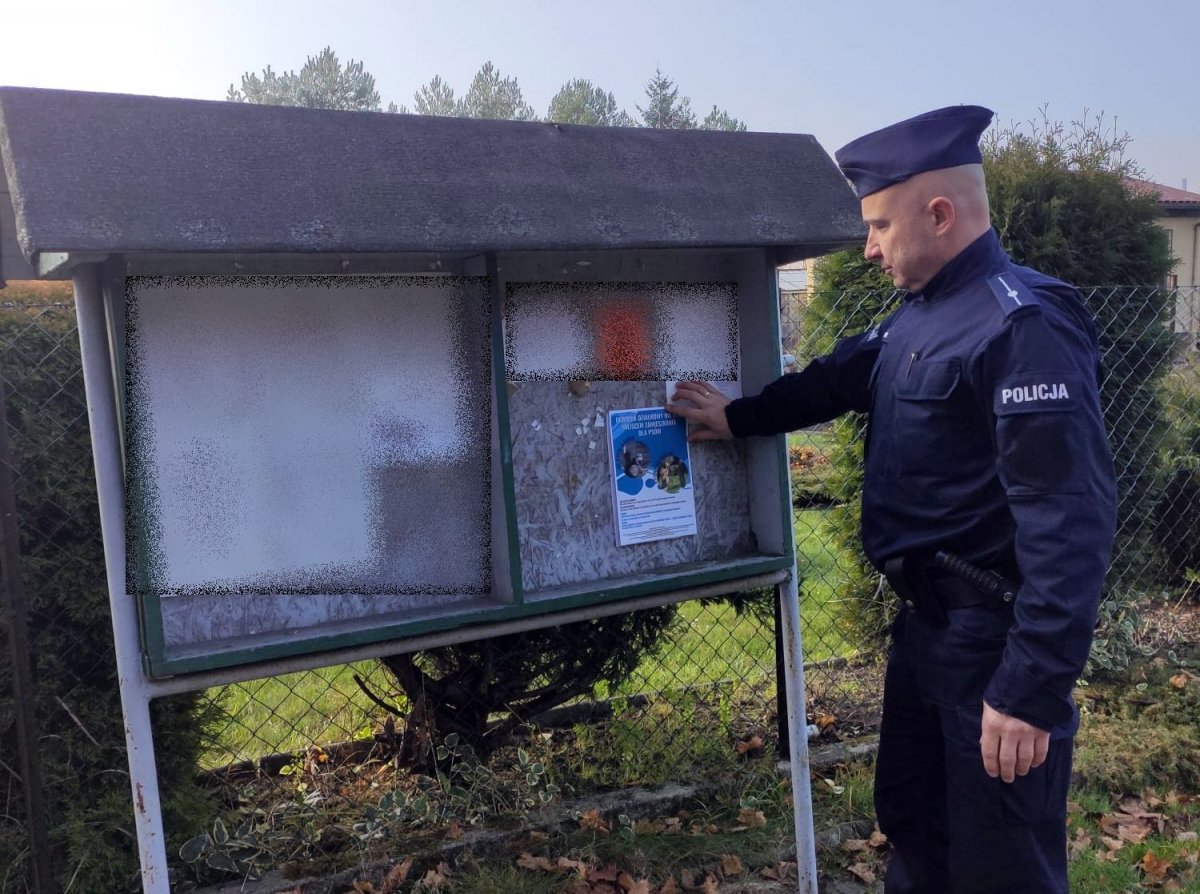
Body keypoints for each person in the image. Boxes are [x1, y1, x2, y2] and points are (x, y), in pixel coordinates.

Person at [667, 105, 1117, 893]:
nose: (868, 247)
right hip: (926, 636)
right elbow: (834, 380)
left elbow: (1069, 521)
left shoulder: (1024, 325)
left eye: (878, 225)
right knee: (916, 827)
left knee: (999, 864)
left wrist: (1030, 686)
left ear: (938, 214)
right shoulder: (919, 319)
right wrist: (736, 417)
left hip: (993, 647)